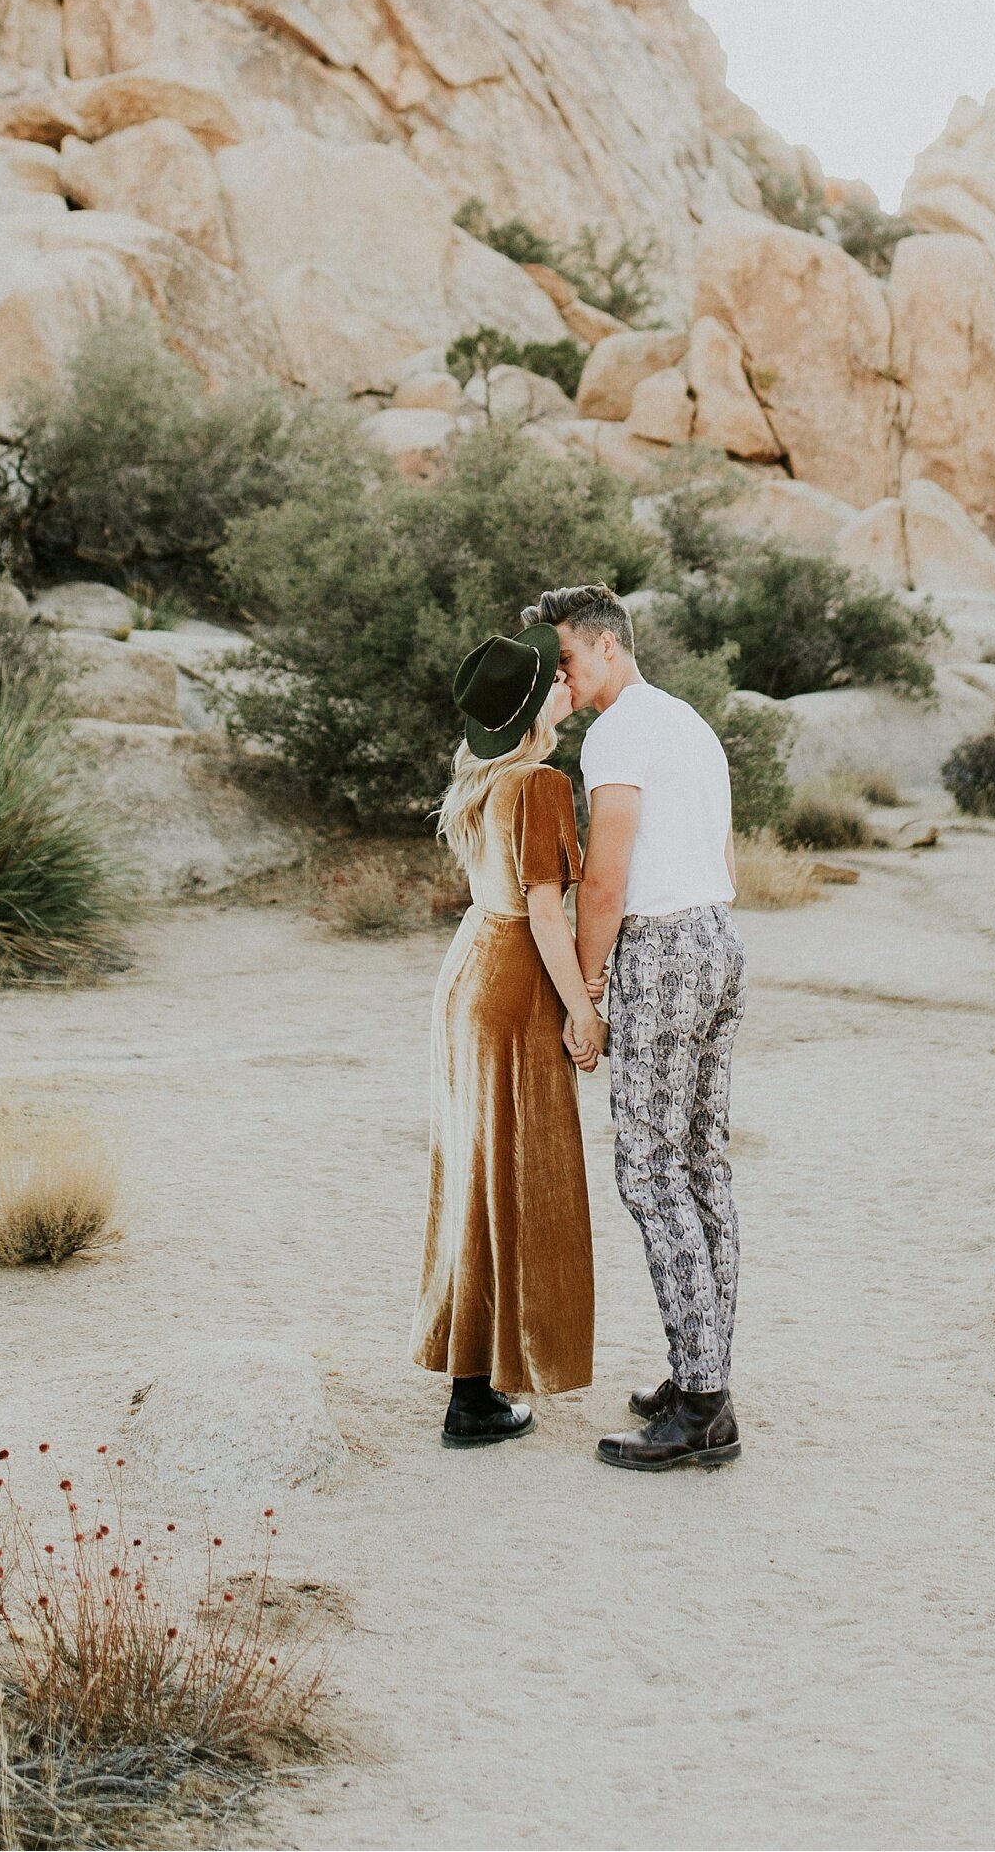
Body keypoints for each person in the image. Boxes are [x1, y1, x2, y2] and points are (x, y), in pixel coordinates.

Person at [522, 583, 746, 1472]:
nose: (563, 678)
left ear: (608, 648)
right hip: (721, 936)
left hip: (661, 945)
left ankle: (700, 1409)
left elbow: (605, 875)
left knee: (648, 1170)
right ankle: (706, 1373)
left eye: (568, 658)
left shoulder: (616, 734)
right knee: (702, 1163)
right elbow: (727, 852)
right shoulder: (689, 720)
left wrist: (589, 991)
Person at [410, 620, 604, 1448]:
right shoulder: (540, 784)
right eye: (552, 677)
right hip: (512, 981)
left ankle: (473, 1379)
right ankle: (473, 1396)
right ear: (535, 709)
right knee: (514, 1173)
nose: (566, 679)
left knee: (473, 1171)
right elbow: (549, 917)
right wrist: (584, 1008)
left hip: (466, 974)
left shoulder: (488, 777)